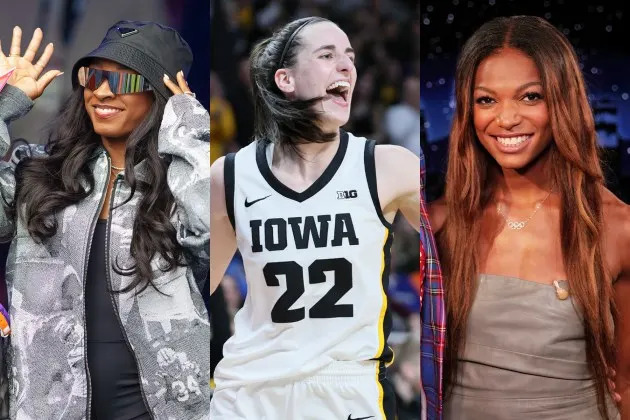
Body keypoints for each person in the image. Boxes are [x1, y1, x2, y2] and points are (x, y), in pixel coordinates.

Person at [209, 16, 429, 420]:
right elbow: (188, 292)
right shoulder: (231, 176)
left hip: (348, 389)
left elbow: (465, 252)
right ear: (285, 80)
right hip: (248, 393)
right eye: (327, 55)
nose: (346, 65)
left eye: (349, 56)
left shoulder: (386, 167)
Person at [0, 21, 210, 419]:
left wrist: (188, 128)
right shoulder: (37, 172)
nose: (103, 90)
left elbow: (211, 234)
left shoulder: (177, 185)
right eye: (93, 76)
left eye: (124, 80)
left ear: (162, 96)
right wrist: (4, 108)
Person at [428, 16, 630, 419]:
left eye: (530, 97)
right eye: (486, 100)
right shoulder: (441, 222)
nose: (506, 119)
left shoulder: (617, 227)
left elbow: (625, 380)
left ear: (563, 100)